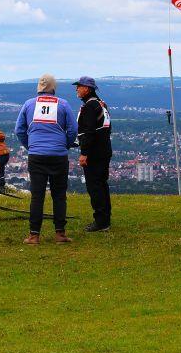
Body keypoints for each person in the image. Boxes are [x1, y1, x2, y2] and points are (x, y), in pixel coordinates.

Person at [15, 74, 78, 244]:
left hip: (36, 156)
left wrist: (31, 146)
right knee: (59, 195)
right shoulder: (63, 104)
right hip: (58, 156)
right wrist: (65, 145)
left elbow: (19, 130)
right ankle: (60, 234)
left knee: (37, 195)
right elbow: (73, 130)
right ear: (54, 88)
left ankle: (34, 235)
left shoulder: (29, 104)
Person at [73, 76, 112, 232]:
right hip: (104, 150)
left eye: (79, 86)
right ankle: (105, 219)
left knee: (94, 187)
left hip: (94, 153)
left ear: (87, 89)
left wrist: (84, 153)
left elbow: (88, 131)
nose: (76, 89)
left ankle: (100, 221)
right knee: (102, 185)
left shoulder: (90, 106)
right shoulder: (102, 104)